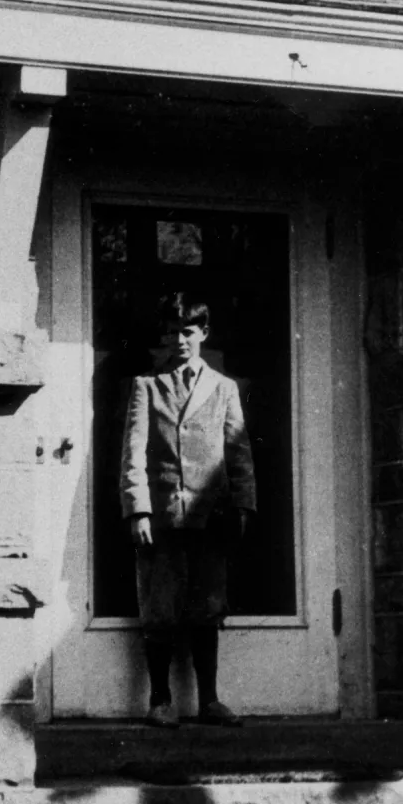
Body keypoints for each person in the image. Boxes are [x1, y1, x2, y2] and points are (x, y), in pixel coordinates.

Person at [119, 292, 256, 729]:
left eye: (187, 332)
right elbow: (133, 452)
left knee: (208, 606)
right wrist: (138, 509)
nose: (179, 340)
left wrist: (243, 504)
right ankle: (160, 699)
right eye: (171, 332)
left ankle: (210, 700)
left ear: (203, 334)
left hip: (210, 516)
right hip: (162, 516)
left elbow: (238, 452)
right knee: (159, 607)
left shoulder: (223, 388)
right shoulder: (148, 386)